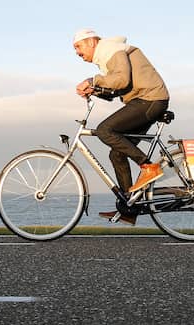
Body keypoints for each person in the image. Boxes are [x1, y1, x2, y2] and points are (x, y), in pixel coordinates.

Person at [72, 28, 171, 225]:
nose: (77, 52)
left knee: (104, 130)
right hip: (145, 100)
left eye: (78, 46)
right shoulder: (108, 54)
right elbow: (119, 87)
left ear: (92, 42)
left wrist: (93, 80)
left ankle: (148, 167)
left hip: (149, 99)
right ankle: (129, 208)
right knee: (116, 153)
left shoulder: (111, 49)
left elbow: (122, 79)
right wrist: (96, 90)